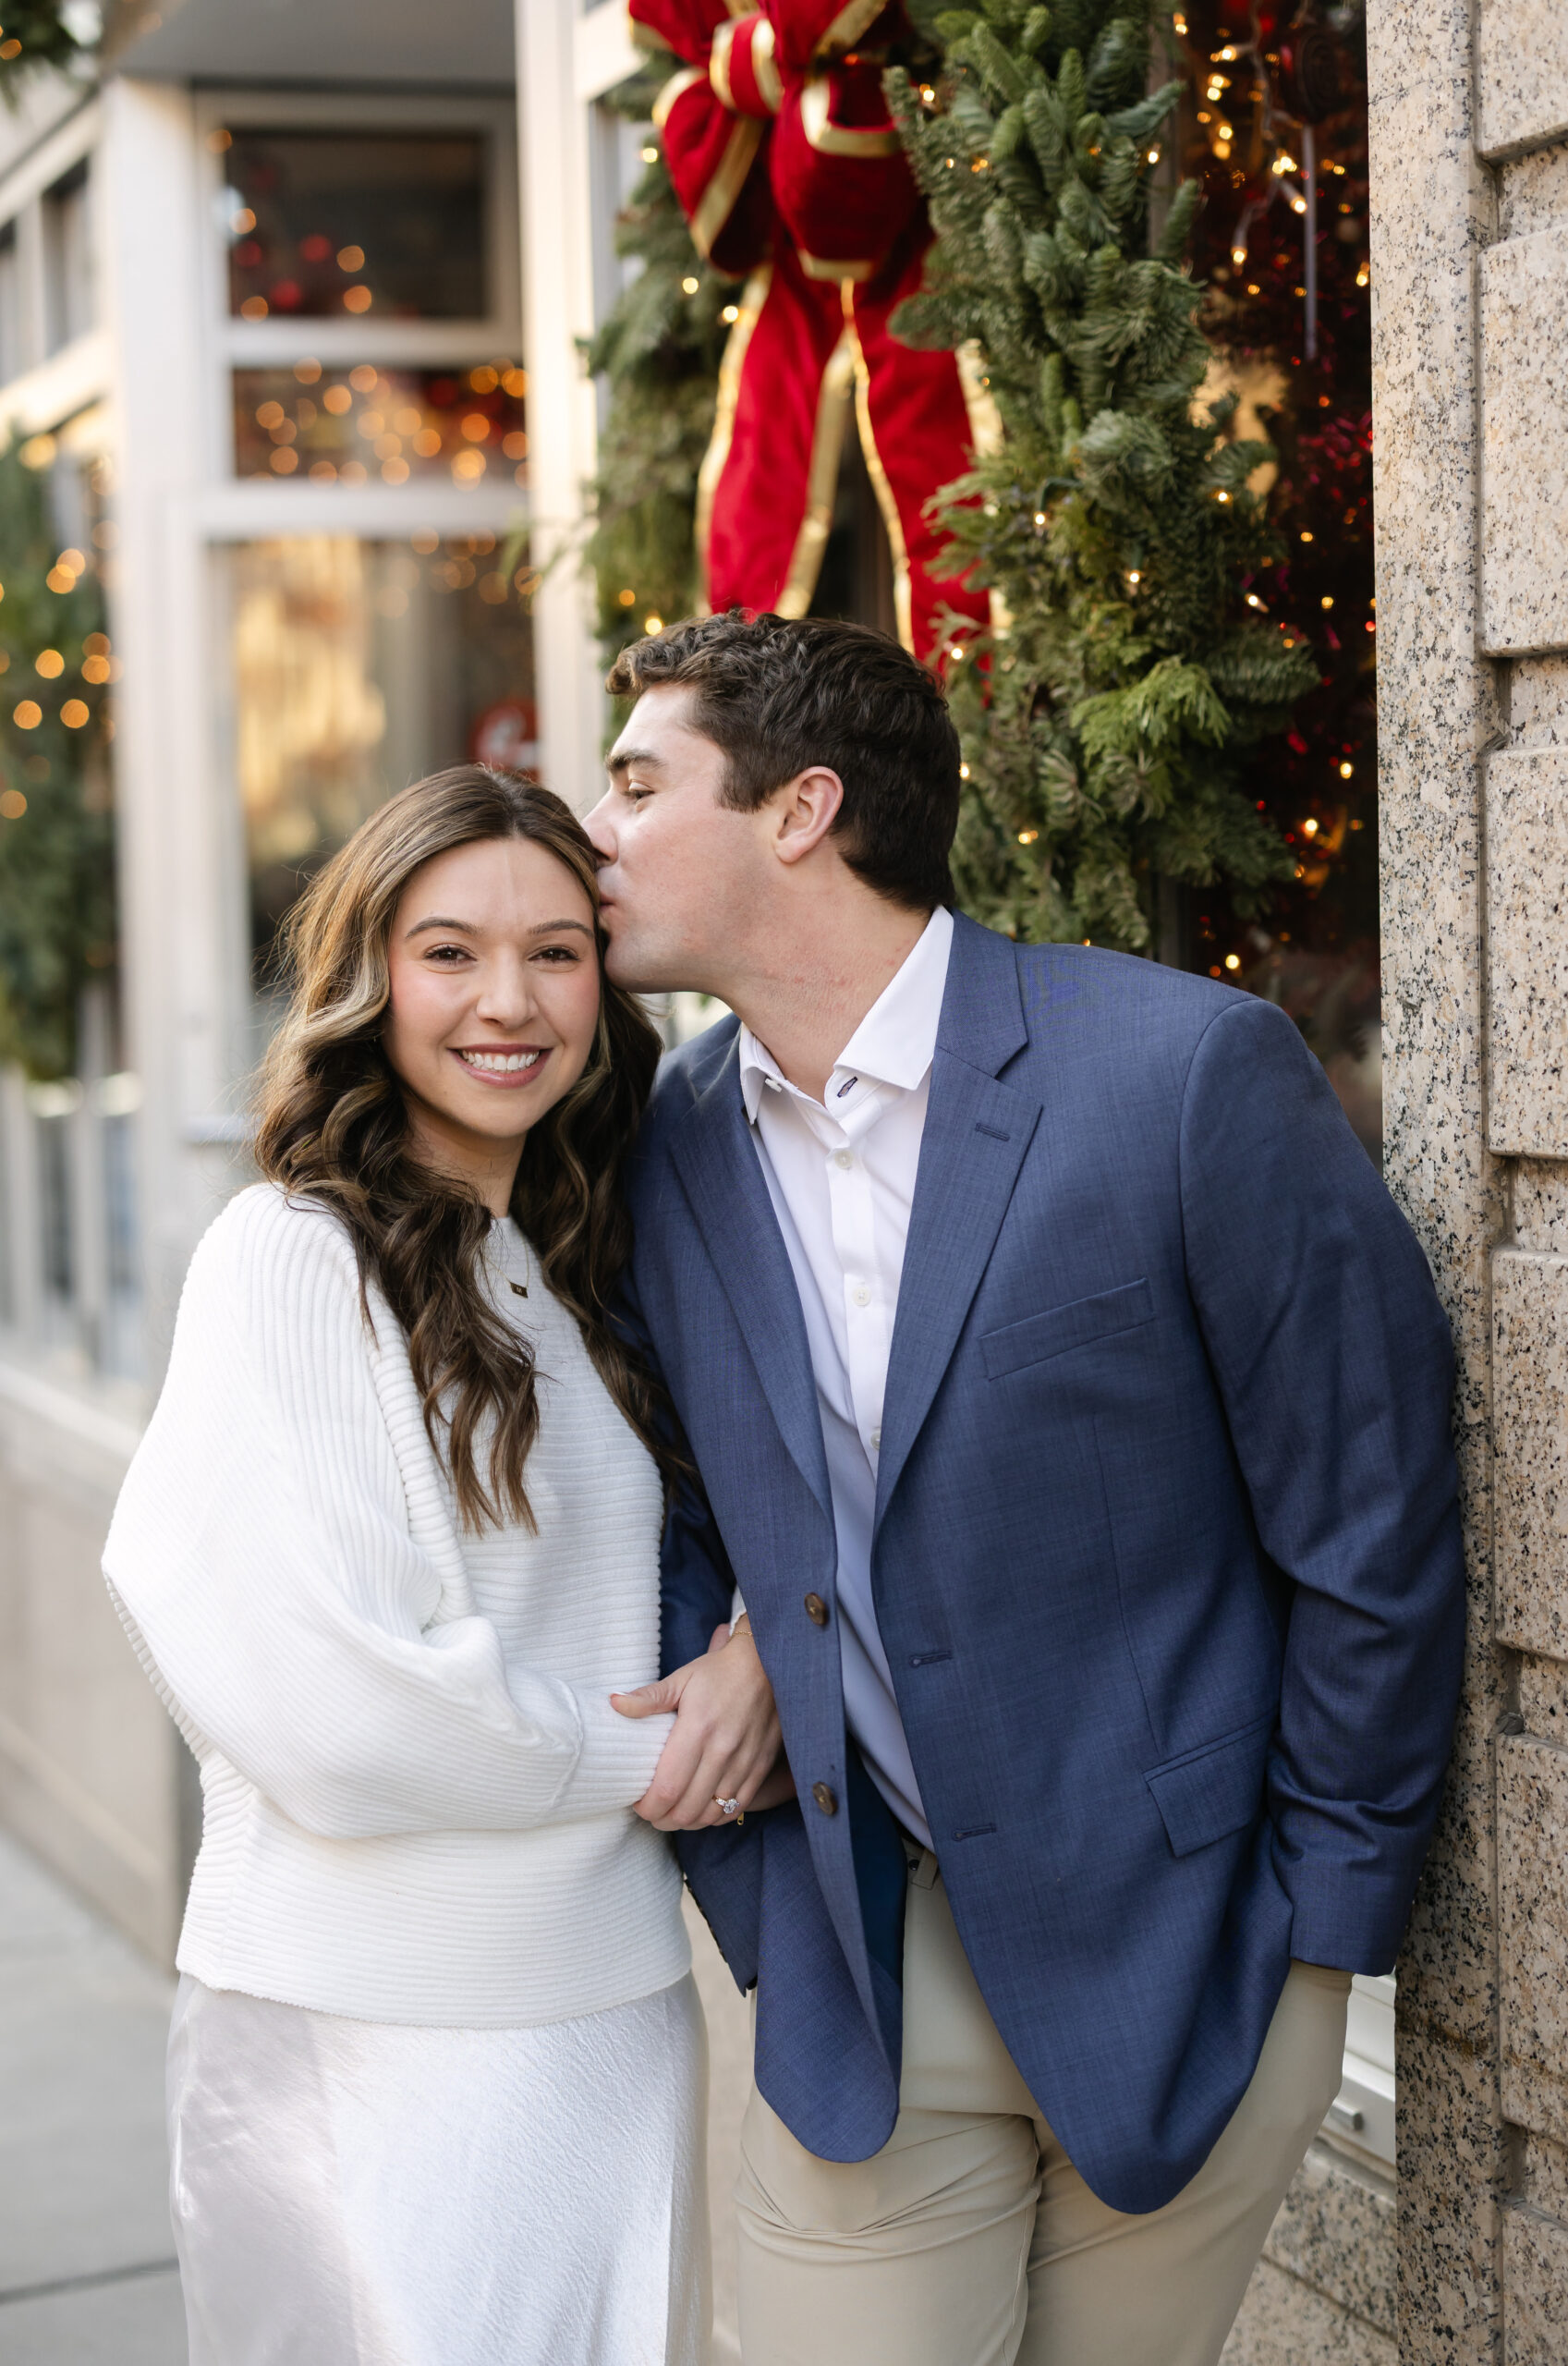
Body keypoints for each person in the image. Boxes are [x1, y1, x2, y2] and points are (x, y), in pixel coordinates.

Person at [587, 614, 1466, 2366]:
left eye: (633, 784)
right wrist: (762, 1829)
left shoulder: (1176, 1072)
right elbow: (664, 1497)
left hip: (1197, 1960)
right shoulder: (664, 1142)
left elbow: (1370, 1515)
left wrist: (1323, 1934)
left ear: (800, 811)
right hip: (864, 1976)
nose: (591, 832)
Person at [103, 768, 779, 2366]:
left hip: (604, 2007)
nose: (510, 1002)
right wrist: (661, 1745)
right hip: (370, 2029)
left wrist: (758, 1648)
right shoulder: (290, 1257)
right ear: (369, 978)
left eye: (556, 953)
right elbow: (333, 1707)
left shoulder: (569, 1254)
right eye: (450, 952)